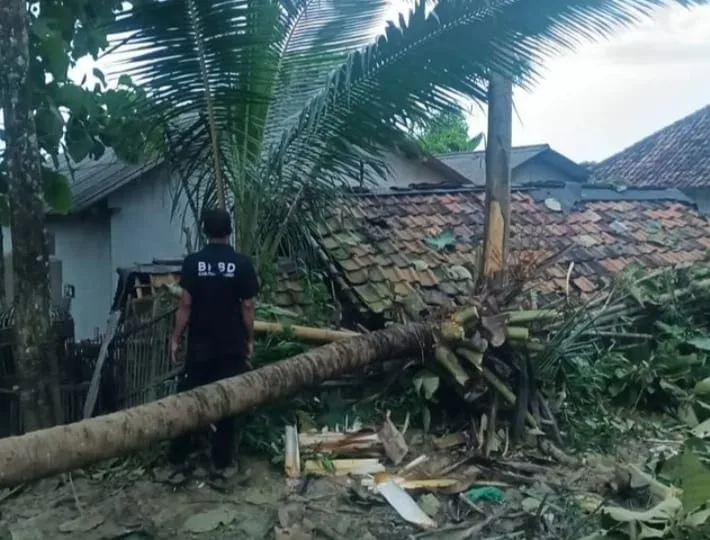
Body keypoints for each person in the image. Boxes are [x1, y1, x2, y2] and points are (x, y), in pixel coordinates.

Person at [168, 208, 259, 477]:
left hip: (200, 346)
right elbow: (248, 306)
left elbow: (185, 305)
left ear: (205, 231)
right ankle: (222, 464)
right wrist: (250, 339)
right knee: (228, 402)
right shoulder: (242, 264)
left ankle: (177, 458)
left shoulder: (193, 263)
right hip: (231, 345)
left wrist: (176, 338)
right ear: (229, 231)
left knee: (189, 400)